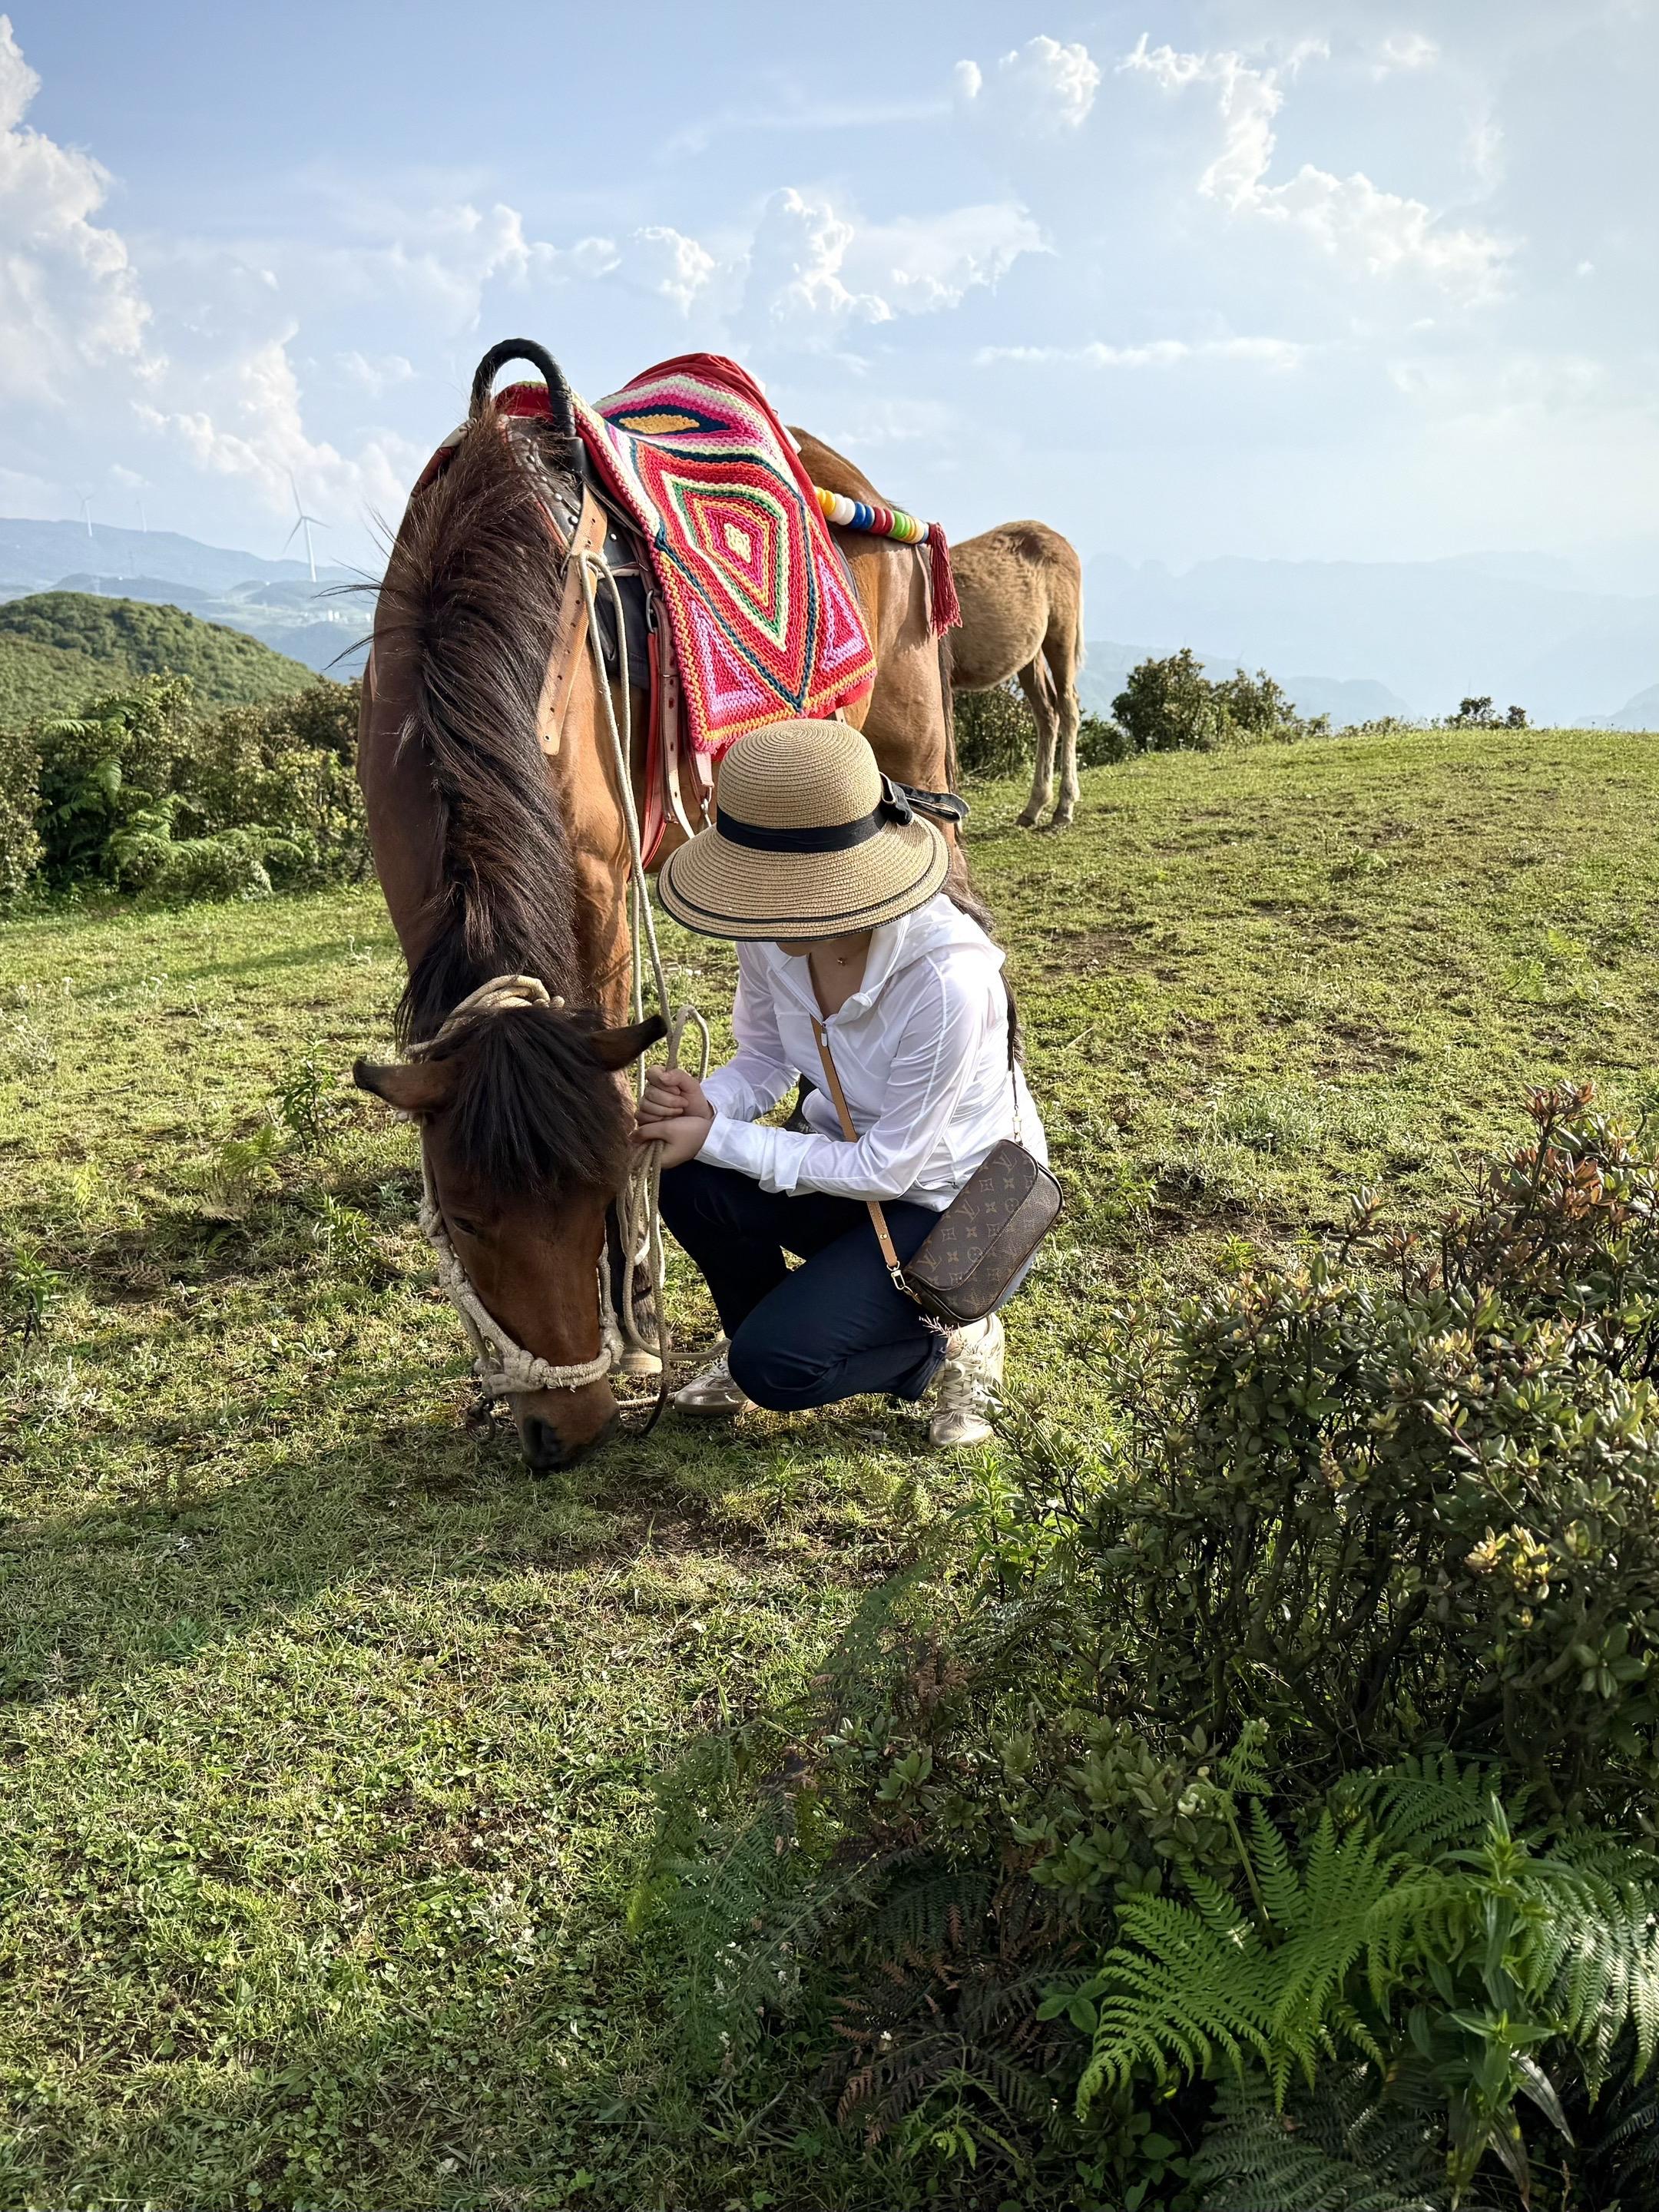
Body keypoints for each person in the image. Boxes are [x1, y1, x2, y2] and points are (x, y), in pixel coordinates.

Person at [634, 717, 1046, 1448]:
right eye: (756, 886)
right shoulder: (771, 929)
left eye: (784, 887)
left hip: (947, 1207)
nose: (761, 909)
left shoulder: (949, 978)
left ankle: (955, 1339)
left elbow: (891, 1167)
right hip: (844, 1173)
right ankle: (768, 1326)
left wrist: (718, 1136)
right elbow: (765, 1058)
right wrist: (710, 1106)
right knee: (686, 1176)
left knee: (778, 1372)